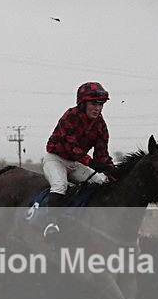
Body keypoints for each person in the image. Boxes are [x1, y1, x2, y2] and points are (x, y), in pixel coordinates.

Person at [42, 81, 116, 238]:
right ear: (83, 103)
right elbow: (71, 147)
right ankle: (51, 223)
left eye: (101, 104)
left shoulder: (101, 125)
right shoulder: (69, 116)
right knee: (59, 185)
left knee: (100, 183)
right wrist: (92, 163)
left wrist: (112, 170)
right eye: (94, 104)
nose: (98, 108)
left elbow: (101, 154)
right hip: (56, 159)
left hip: (75, 164)